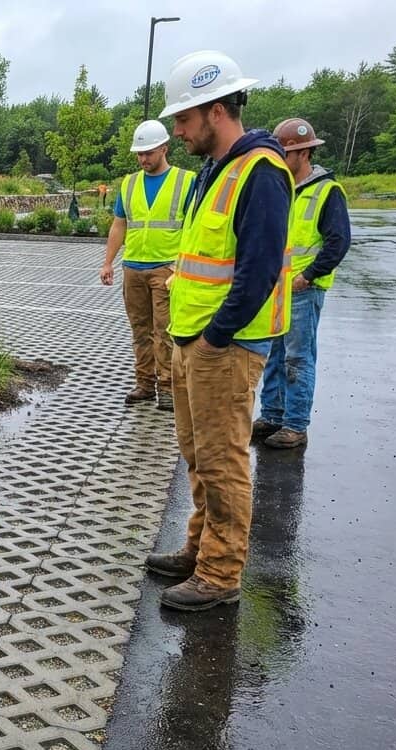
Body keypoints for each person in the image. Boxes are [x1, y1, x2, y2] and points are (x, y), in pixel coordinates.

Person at [142, 50, 294, 612]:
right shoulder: (217, 169)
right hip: (194, 342)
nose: (177, 130)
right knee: (199, 456)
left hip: (223, 348)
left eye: (183, 119)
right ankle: (198, 548)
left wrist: (214, 338)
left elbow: (258, 271)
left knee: (224, 460)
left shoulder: (261, 174)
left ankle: (220, 572)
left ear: (214, 111)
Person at [253, 118, 351, 449]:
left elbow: (338, 242)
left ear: (305, 152)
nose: (281, 158)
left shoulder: (327, 191)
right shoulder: (280, 187)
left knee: (298, 358)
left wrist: (307, 276)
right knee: (274, 354)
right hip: (276, 288)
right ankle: (272, 415)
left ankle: (295, 424)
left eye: (288, 152)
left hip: (304, 289)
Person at [101, 119, 195, 411]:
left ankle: (167, 388)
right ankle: (144, 383)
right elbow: (120, 225)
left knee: (165, 331)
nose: (143, 159)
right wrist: (108, 263)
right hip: (134, 267)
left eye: (149, 153)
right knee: (140, 330)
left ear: (164, 148)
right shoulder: (129, 184)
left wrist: (182, 265)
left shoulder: (186, 181)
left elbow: (194, 227)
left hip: (167, 268)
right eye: (139, 154)